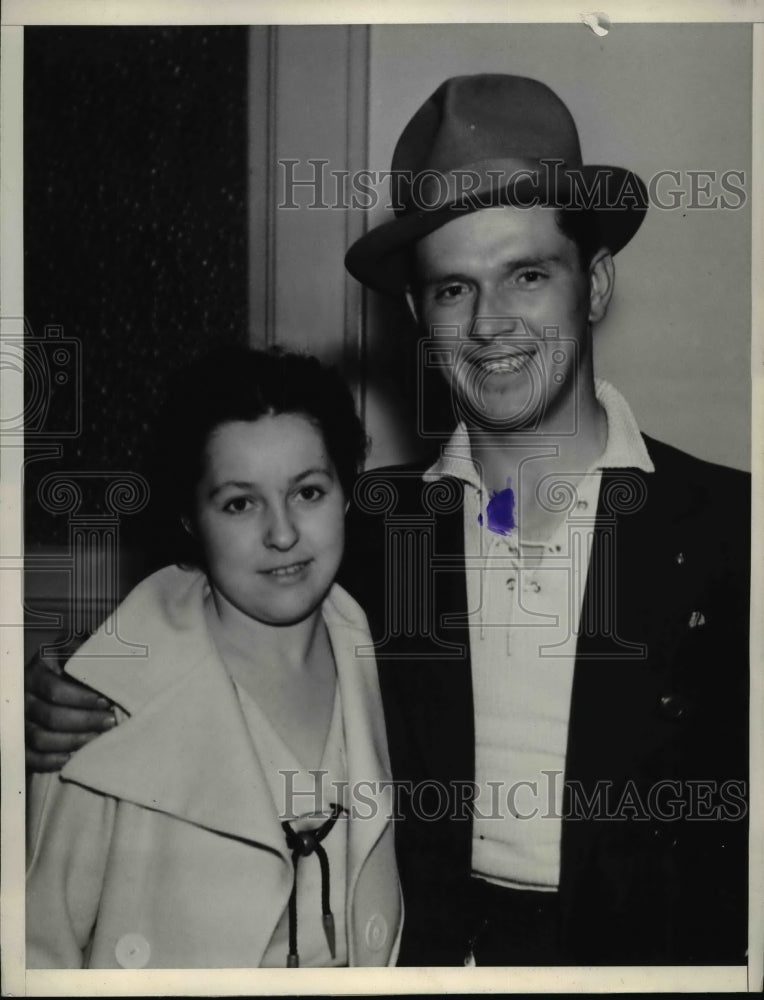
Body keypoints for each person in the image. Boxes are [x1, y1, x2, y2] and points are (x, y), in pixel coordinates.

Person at [26, 75, 749, 967]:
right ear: (416, 314)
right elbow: (204, 608)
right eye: (453, 289)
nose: (489, 324)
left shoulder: (731, 532)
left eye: (527, 275)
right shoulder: (359, 534)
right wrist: (69, 685)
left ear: (594, 285)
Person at [25, 346, 402, 969]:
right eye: (239, 503)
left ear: (346, 496)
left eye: (308, 492)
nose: (282, 533)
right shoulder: (99, 699)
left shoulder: (386, 652)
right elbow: (39, 948)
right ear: (189, 518)